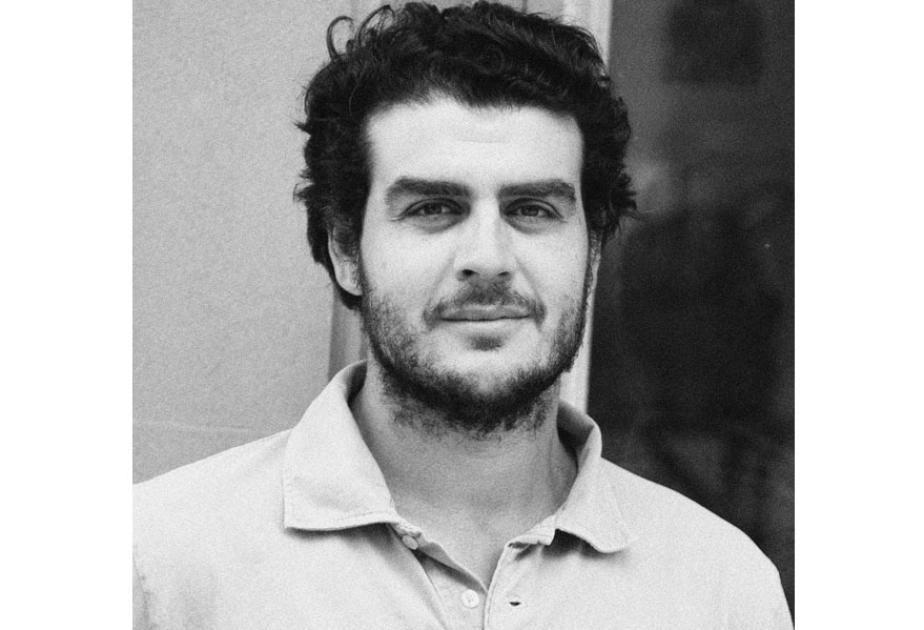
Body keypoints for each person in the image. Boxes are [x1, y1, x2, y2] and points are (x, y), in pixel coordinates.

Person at [133, 3, 793, 628]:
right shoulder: (160, 566)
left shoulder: (720, 590)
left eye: (532, 209)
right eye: (433, 209)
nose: (488, 259)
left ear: (592, 251)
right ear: (346, 250)